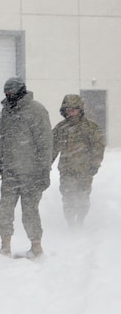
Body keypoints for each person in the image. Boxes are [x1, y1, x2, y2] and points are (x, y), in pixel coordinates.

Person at [0, 78, 53, 257]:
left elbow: (45, 143)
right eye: (6, 93)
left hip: (32, 172)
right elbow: (3, 139)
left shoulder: (36, 110)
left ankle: (36, 246)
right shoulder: (7, 111)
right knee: (5, 209)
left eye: (11, 93)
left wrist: (44, 170)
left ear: (20, 91)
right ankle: (5, 246)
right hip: (10, 170)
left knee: (30, 211)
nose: (8, 96)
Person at [52, 93, 105, 227]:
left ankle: (80, 220)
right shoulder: (61, 128)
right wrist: (46, 164)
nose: (71, 112)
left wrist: (95, 164)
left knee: (83, 197)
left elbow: (98, 147)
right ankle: (70, 222)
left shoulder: (91, 127)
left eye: (74, 109)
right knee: (67, 197)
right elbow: (52, 148)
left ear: (80, 109)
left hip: (85, 170)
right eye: (68, 110)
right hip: (66, 170)